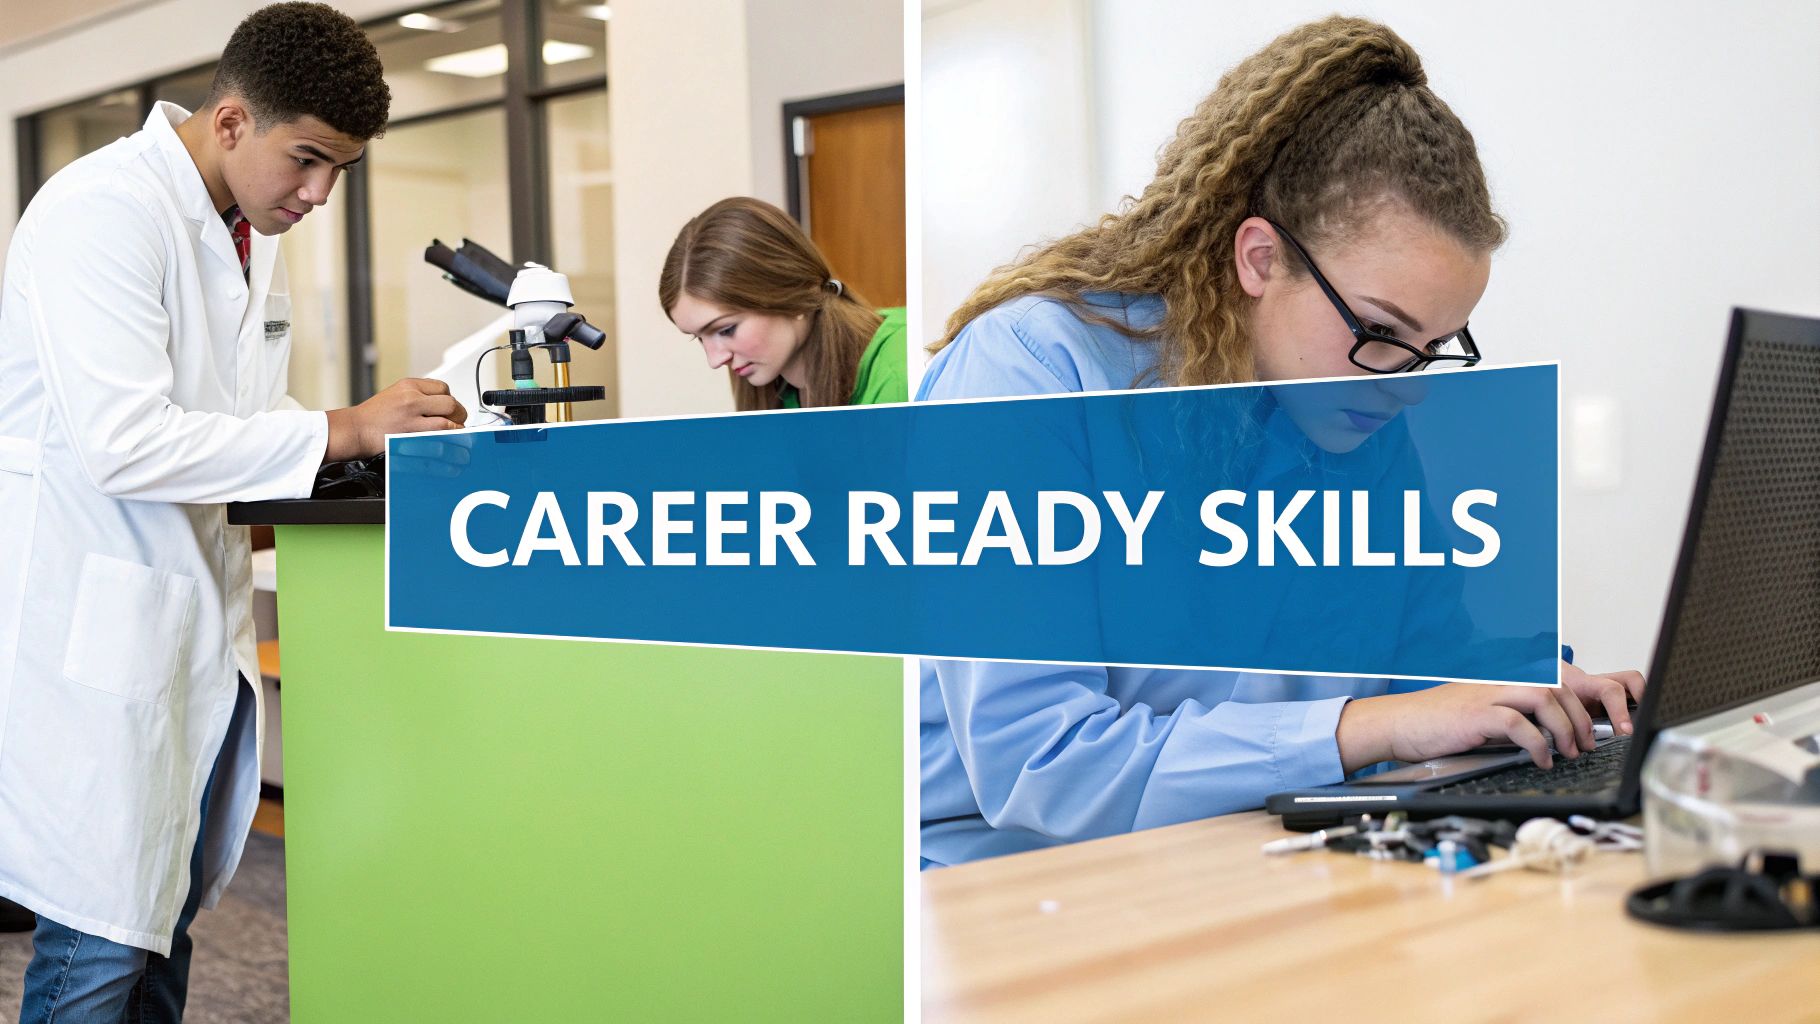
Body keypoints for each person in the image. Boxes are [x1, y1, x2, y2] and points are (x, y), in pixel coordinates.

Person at [918, 15, 1645, 868]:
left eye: (1434, 349)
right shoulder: (1031, 372)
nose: (1405, 384)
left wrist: (1528, 693)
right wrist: (1371, 726)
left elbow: (1421, 661)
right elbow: (1041, 763)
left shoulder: (1347, 404)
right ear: (1260, 259)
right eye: (1380, 330)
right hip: (1013, 884)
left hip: (1252, 854)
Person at [0, 4, 465, 1019]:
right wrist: (341, 429)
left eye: (339, 169)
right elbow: (126, 439)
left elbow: (235, 426)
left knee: (161, 936)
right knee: (97, 953)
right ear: (228, 122)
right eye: (306, 159)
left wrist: (365, 442)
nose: (319, 193)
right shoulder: (100, 211)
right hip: (92, 637)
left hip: (186, 634)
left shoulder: (249, 236)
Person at [661, 196, 907, 409]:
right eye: (700, 338)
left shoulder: (901, 371)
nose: (715, 360)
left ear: (793, 293)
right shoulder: (780, 386)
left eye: (727, 330)